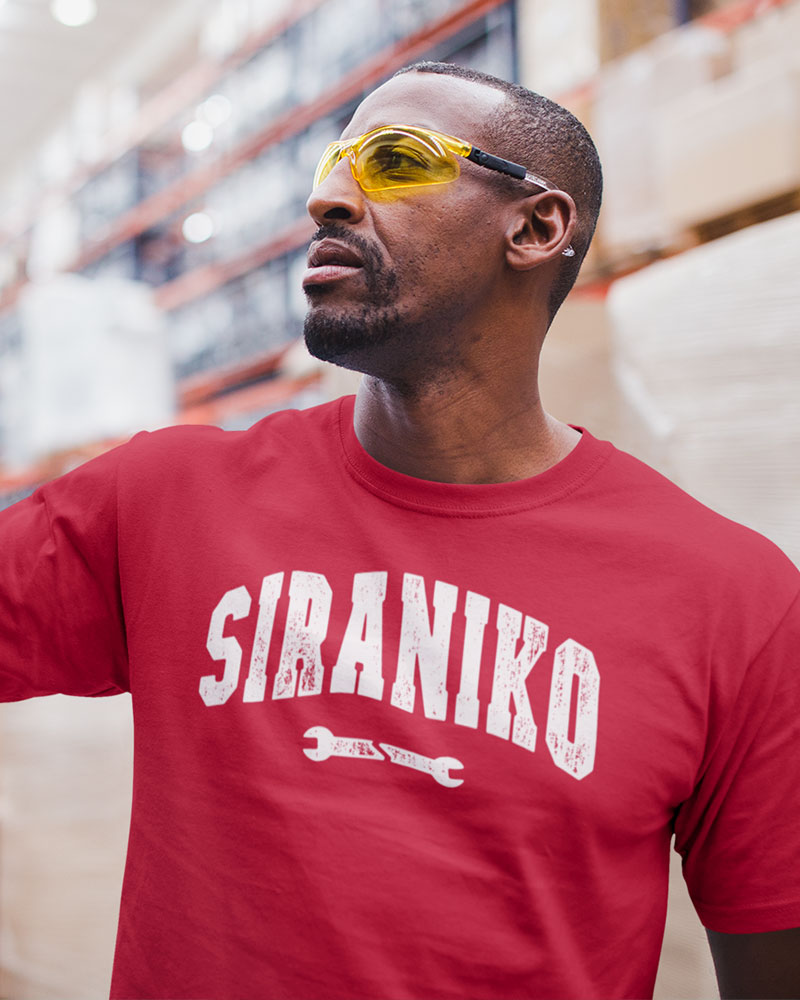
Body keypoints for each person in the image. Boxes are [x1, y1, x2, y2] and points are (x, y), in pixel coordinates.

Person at [1, 61, 799, 1000]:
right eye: (331, 164)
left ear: (537, 227)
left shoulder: (732, 598)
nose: (327, 198)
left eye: (395, 161)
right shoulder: (163, 500)